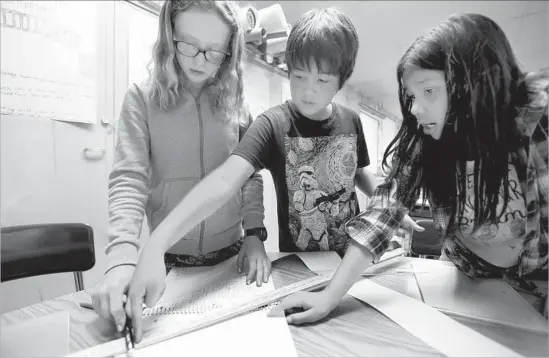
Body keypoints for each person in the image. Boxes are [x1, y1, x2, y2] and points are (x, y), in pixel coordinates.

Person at [124, 7, 423, 343]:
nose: (308, 91)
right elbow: (226, 180)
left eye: (323, 80)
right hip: (299, 261)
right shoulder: (271, 124)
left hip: (353, 254)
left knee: (358, 334)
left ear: (342, 78)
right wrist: (155, 243)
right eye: (298, 76)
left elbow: (359, 173)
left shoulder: (351, 120)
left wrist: (390, 209)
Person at [270, 12, 548, 325]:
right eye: (412, 96)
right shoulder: (424, 138)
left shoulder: (535, 122)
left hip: (536, 278)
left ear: (471, 84)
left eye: (429, 91)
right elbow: (381, 216)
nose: (415, 109)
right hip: (465, 276)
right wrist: (330, 296)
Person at [91, 0, 267, 334]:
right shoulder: (141, 99)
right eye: (189, 45)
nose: (201, 60)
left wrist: (255, 233)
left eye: (215, 51)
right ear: (169, 35)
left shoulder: (238, 105)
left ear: (231, 49)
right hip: (167, 260)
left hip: (230, 257)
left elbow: (249, 177)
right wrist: (123, 258)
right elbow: (129, 180)